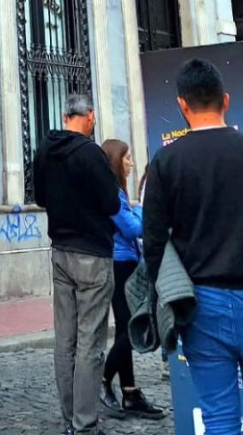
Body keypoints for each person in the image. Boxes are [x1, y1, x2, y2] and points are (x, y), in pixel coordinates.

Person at [142, 59, 243, 435]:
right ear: (225, 100)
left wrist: (170, 295)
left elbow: (152, 241)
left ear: (182, 105)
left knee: (219, 420)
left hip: (201, 303)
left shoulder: (166, 161)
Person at [33, 93, 121, 434]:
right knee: (90, 343)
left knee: (64, 340)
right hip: (93, 255)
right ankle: (84, 424)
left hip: (60, 251)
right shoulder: (90, 153)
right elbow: (112, 204)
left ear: (64, 115)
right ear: (89, 117)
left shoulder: (45, 149)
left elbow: (40, 197)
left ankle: (70, 418)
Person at [99, 139, 165, 421]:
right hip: (119, 264)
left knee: (126, 325)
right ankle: (101, 380)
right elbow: (132, 228)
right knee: (131, 328)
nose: (131, 162)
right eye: (127, 157)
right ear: (116, 160)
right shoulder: (113, 194)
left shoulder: (118, 194)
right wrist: (144, 208)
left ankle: (130, 392)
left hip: (125, 262)